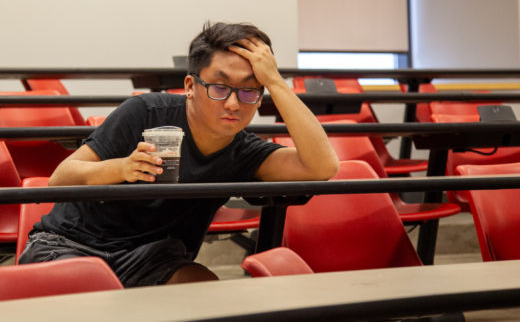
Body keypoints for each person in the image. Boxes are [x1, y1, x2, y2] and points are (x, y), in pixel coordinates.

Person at [18, 21, 339, 287]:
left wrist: (276, 82)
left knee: (208, 295)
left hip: (153, 259)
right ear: (189, 85)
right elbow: (60, 179)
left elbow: (321, 166)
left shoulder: (241, 150)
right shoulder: (144, 112)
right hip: (69, 247)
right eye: (219, 87)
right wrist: (123, 168)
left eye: (249, 90)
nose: (232, 103)